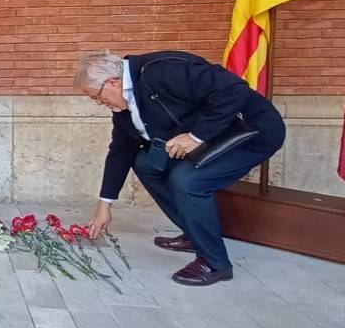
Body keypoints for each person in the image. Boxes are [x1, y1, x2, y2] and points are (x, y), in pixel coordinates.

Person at [75, 50, 286, 286]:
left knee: (188, 180)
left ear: (113, 82)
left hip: (251, 131)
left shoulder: (163, 70)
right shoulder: (123, 106)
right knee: (146, 164)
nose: (99, 103)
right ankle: (195, 233)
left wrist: (196, 137)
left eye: (96, 96)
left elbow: (234, 89)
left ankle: (215, 264)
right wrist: (104, 206)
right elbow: (121, 151)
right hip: (212, 138)